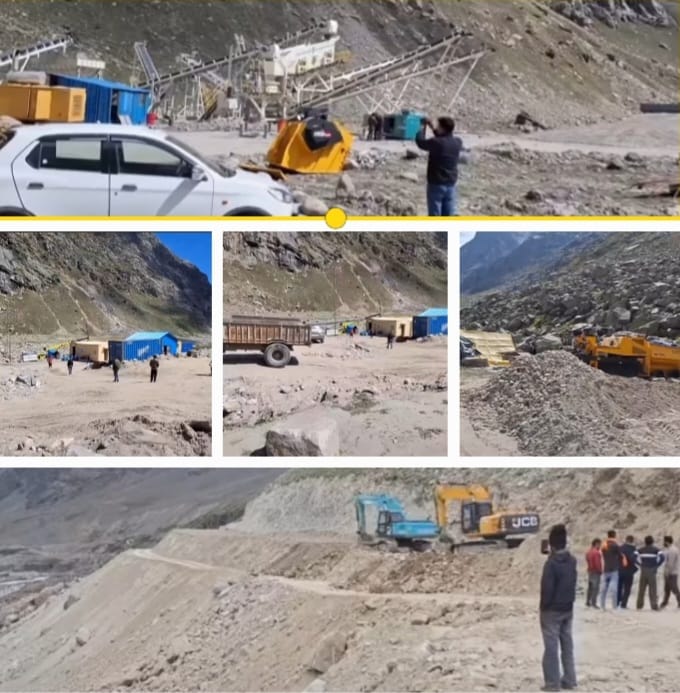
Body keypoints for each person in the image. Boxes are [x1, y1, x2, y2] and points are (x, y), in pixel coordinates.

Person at [539, 523, 577, 693]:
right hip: (568, 608)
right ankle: (569, 679)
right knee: (567, 644)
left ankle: (552, 683)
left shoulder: (551, 565)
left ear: (552, 545)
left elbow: (547, 590)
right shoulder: (572, 561)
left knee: (551, 648)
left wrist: (544, 607)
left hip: (551, 611)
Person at [415, 115, 463, 216]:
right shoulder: (458, 142)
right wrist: (432, 127)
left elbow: (420, 142)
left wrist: (422, 127)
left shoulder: (436, 142)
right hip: (451, 183)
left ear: (442, 128)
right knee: (448, 214)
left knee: (435, 214)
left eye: (439, 126)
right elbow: (442, 138)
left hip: (436, 183)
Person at [637, 535, 665, 610]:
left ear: (645, 542)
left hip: (643, 569)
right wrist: (657, 565)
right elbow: (662, 557)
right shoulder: (656, 549)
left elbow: (633, 556)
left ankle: (639, 605)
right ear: (652, 542)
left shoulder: (641, 549)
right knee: (653, 589)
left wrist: (639, 564)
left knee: (641, 588)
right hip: (652, 570)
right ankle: (654, 606)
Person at [600, 530, 621, 610]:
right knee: (614, 589)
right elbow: (620, 555)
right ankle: (614, 606)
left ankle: (602, 606)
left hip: (606, 569)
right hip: (614, 569)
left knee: (604, 589)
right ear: (614, 535)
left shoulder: (604, 545)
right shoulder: (615, 545)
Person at [618, 535, 638, 609]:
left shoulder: (620, 548)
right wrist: (635, 569)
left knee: (619, 587)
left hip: (620, 570)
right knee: (627, 588)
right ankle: (623, 604)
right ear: (632, 541)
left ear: (626, 540)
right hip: (629, 571)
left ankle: (617, 602)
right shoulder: (633, 549)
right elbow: (634, 560)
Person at [660, 536, 680, 609]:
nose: (663, 543)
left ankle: (679, 601)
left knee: (674, 588)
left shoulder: (672, 550)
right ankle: (664, 602)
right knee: (667, 588)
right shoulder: (668, 549)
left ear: (667, 542)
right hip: (669, 572)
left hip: (671, 573)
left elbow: (670, 563)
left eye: (664, 541)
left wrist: (667, 572)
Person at [585, 538, 602, 608]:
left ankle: (588, 601)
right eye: (599, 544)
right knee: (595, 588)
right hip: (595, 571)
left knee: (590, 587)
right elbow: (597, 563)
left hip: (590, 570)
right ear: (596, 544)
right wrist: (600, 570)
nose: (600, 546)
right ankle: (593, 603)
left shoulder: (588, 552)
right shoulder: (596, 553)